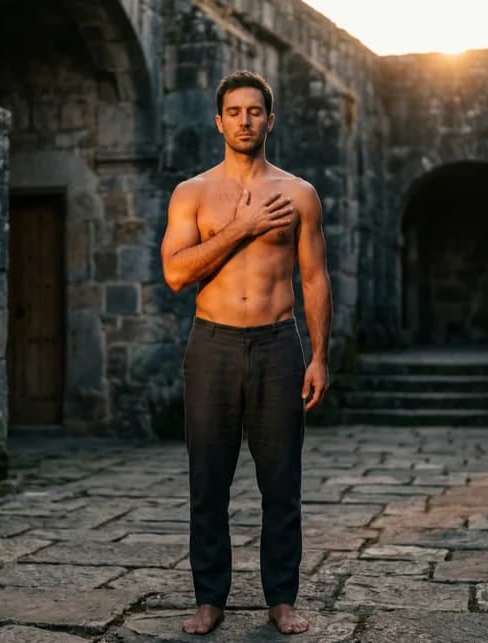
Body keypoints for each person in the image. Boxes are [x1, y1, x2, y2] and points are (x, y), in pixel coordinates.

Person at [159, 70, 332, 636]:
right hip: (212, 345)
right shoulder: (192, 193)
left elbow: (315, 277)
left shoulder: (299, 193)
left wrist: (319, 356)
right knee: (207, 480)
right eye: (233, 112)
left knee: (281, 483)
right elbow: (176, 273)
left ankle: (281, 600)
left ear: (269, 120)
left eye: (254, 111)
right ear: (219, 121)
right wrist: (244, 225)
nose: (244, 120)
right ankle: (210, 600)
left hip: (279, 344)